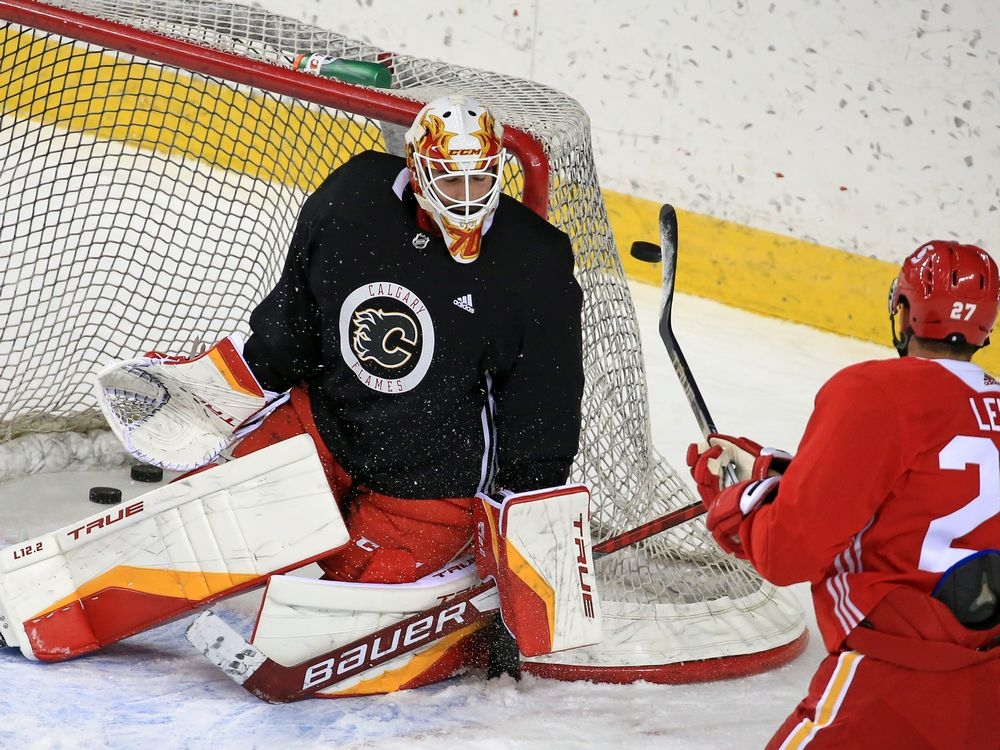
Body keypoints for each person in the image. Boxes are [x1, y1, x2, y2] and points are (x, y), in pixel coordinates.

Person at [228, 93, 585, 676]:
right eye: (451, 181)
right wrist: (254, 371)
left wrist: (528, 501)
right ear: (417, 172)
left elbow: (546, 394)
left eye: (481, 180)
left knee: (353, 594)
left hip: (431, 482)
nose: (468, 199)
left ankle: (442, 573)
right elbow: (298, 309)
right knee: (228, 512)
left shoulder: (532, 260)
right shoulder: (352, 200)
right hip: (329, 424)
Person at [687, 240, 1000, 749]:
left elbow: (787, 552)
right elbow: (921, 493)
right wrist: (781, 471)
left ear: (902, 311)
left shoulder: (874, 392)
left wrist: (740, 503)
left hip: (894, 684)